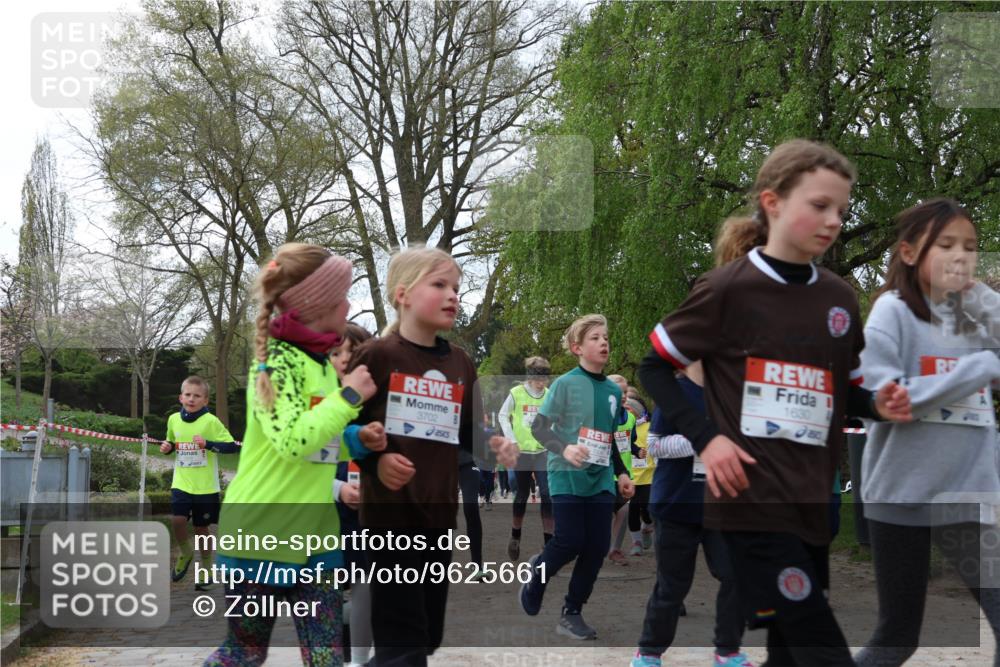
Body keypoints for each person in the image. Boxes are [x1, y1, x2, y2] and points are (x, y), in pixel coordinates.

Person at [638, 140, 912, 665]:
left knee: (789, 653)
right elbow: (655, 367)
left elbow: (844, 392)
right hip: (750, 507)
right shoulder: (726, 290)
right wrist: (708, 438)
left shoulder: (837, 298)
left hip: (811, 505)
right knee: (822, 648)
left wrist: (881, 404)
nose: (833, 220)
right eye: (819, 205)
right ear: (773, 202)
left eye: (841, 210)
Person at [204, 243, 386, 667]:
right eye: (342, 296)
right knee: (244, 654)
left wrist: (357, 439)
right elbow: (291, 441)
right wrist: (349, 398)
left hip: (315, 540)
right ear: (316, 304)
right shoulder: (275, 365)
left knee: (327, 659)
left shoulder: (322, 363)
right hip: (259, 538)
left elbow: (318, 442)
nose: (349, 304)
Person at [347, 245, 519, 666]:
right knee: (404, 644)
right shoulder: (377, 355)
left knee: (426, 638)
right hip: (389, 520)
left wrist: (494, 443)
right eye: (439, 284)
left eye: (457, 287)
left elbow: (470, 428)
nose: (453, 295)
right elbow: (338, 428)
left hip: (439, 517)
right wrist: (376, 459)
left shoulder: (461, 361)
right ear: (402, 294)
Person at [855, 198, 1000, 666]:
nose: (961, 255)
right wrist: (976, 368)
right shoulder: (892, 312)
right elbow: (886, 400)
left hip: (969, 498)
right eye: (947, 244)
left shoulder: (974, 313)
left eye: (971, 247)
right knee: (898, 637)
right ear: (910, 252)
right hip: (903, 494)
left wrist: (979, 295)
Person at [519, 314, 634, 640]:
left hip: (600, 478)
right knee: (570, 541)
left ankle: (571, 612)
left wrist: (622, 474)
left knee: (597, 546)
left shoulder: (613, 389)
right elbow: (540, 428)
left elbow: (610, 437)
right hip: (566, 473)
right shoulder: (566, 384)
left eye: (606, 338)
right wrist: (565, 448)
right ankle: (536, 576)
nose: (603, 343)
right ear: (577, 347)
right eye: (595, 338)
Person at [631, 363, 752, 667]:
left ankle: (728, 652)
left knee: (737, 574)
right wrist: (702, 441)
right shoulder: (674, 393)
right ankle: (648, 654)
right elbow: (654, 445)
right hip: (676, 505)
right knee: (673, 585)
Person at [159, 375, 238, 588]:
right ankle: (185, 552)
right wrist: (167, 448)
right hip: (181, 482)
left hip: (206, 487)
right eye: (188, 395)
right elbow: (172, 442)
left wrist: (208, 444)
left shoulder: (211, 421)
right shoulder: (173, 419)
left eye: (197, 396)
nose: (191, 399)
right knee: (177, 520)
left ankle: (205, 568)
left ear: (205, 400)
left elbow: (231, 446)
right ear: (181, 397)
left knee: (202, 529)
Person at [330, 323, 375, 666]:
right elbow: (297, 465)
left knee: (366, 587)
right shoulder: (317, 402)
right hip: (324, 510)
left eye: (354, 353)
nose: (344, 360)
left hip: (371, 512)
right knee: (326, 589)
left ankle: (359, 660)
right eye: (335, 353)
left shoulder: (380, 402)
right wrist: (338, 489)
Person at [497, 356, 554, 561]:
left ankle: (549, 544)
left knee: (547, 495)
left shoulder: (548, 395)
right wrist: (511, 439)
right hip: (521, 451)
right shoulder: (516, 393)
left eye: (545, 378)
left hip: (541, 451)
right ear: (529, 377)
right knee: (521, 495)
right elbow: (503, 415)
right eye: (538, 378)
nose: (542, 382)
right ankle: (515, 536)